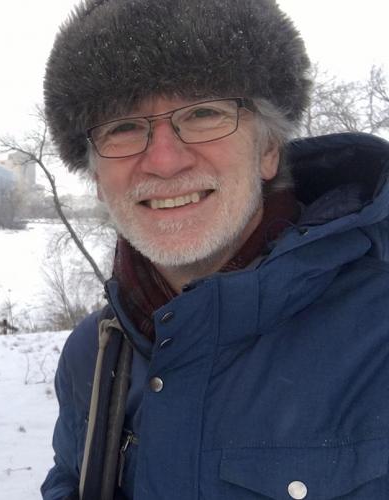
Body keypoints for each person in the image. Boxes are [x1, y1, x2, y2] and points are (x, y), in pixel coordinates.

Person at [41, 0, 389, 498]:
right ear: (96, 177)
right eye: (123, 126)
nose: (163, 160)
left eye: (204, 112)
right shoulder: (92, 356)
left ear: (268, 149)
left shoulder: (378, 339)